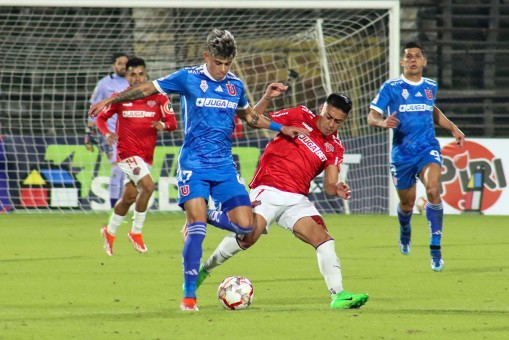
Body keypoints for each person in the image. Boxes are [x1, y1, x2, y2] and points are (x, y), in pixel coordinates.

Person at [89, 28, 308, 311]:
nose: (223, 68)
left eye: (228, 63)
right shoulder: (188, 78)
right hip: (193, 164)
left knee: (246, 227)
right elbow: (146, 88)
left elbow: (251, 116)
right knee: (196, 229)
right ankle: (189, 295)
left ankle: (209, 215)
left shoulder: (235, 85)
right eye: (218, 62)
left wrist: (282, 128)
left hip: (224, 166)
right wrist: (110, 100)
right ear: (207, 56)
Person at [195, 92, 369, 310]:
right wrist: (267, 97)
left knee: (324, 239)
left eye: (338, 122)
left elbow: (329, 184)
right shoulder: (299, 115)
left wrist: (337, 189)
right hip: (269, 187)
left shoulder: (335, 147)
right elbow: (253, 119)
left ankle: (338, 295)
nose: (331, 124)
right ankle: (205, 269)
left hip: (297, 199)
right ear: (322, 110)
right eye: (329, 117)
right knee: (248, 238)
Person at [367, 41, 465, 271]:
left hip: (427, 148)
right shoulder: (391, 87)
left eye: (417, 56)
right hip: (402, 153)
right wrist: (382, 122)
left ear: (424, 61)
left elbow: (432, 110)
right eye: (408, 56)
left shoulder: (431, 85)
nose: (413, 60)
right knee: (407, 204)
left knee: (433, 190)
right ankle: (405, 229)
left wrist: (453, 128)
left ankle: (435, 247)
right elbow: (371, 116)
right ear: (402, 62)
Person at [96, 57, 178, 256]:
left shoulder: (159, 97)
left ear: (146, 75)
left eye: (141, 74)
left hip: (146, 157)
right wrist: (107, 133)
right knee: (149, 187)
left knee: (129, 197)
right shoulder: (120, 97)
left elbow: (173, 123)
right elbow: (101, 118)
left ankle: (110, 231)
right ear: (127, 76)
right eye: (133, 75)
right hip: (127, 153)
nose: (137, 78)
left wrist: (163, 125)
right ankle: (136, 232)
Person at [85, 52, 130, 209]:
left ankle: (127, 208)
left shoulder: (134, 83)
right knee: (117, 170)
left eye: (125, 63)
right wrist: (88, 132)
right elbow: (94, 109)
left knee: (130, 173)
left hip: (131, 135)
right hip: (111, 134)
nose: (123, 66)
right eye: (119, 63)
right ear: (113, 65)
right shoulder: (104, 84)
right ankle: (114, 209)